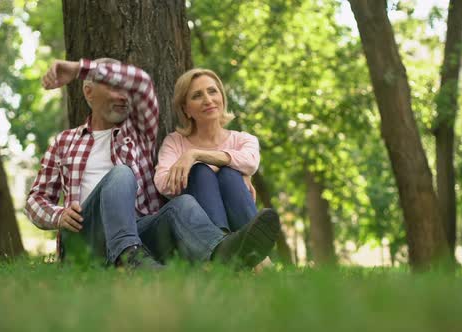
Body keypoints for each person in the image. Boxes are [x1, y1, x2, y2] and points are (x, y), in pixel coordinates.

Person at [25, 58, 279, 270]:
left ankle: (222, 252)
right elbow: (36, 199)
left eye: (126, 90)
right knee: (121, 174)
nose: (123, 96)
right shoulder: (64, 142)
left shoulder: (139, 134)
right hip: (85, 234)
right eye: (114, 87)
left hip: (139, 232)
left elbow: (142, 84)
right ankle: (129, 259)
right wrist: (58, 215)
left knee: (184, 204)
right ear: (88, 92)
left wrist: (233, 170)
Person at [154, 68, 280, 267]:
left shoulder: (243, 139)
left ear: (222, 97)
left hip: (237, 225)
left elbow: (250, 162)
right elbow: (162, 183)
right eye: (197, 95)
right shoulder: (175, 142)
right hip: (194, 236)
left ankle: (253, 260)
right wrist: (230, 169)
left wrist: (195, 155)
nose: (207, 100)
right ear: (186, 109)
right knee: (201, 173)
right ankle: (222, 249)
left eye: (213, 91)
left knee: (229, 175)